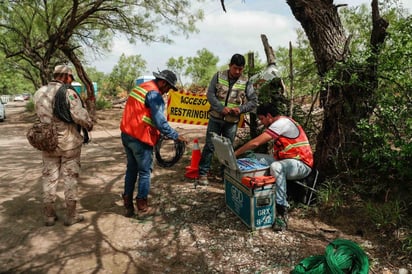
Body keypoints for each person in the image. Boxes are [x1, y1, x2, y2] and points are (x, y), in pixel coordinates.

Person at [234, 103, 314, 231]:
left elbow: (255, 142)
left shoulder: (281, 123)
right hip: (288, 162)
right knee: (253, 156)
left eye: (262, 119)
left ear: (269, 116)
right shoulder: (281, 123)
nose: (261, 122)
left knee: (276, 166)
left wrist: (235, 153)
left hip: (301, 165)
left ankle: (281, 211)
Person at [120, 69, 188, 218]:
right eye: (168, 88)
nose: (167, 91)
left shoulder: (141, 88)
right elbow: (159, 121)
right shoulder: (154, 94)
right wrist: (176, 136)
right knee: (144, 172)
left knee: (131, 169)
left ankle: (127, 205)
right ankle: (142, 208)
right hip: (140, 138)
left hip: (127, 135)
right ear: (162, 82)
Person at [33, 65, 93, 226]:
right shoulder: (68, 93)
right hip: (68, 144)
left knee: (49, 178)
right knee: (70, 178)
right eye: (71, 78)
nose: (71, 81)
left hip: (48, 143)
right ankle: (71, 215)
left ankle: (49, 216)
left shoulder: (39, 92)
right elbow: (79, 116)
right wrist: (89, 123)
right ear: (66, 76)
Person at [198, 53, 258, 185]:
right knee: (209, 146)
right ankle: (203, 174)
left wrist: (240, 109)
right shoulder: (219, 76)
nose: (237, 71)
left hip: (232, 122)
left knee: (227, 149)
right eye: (235, 68)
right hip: (215, 118)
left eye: (240, 69)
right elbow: (210, 94)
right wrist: (220, 108)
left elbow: (253, 101)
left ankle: (225, 176)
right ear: (230, 65)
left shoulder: (246, 81)